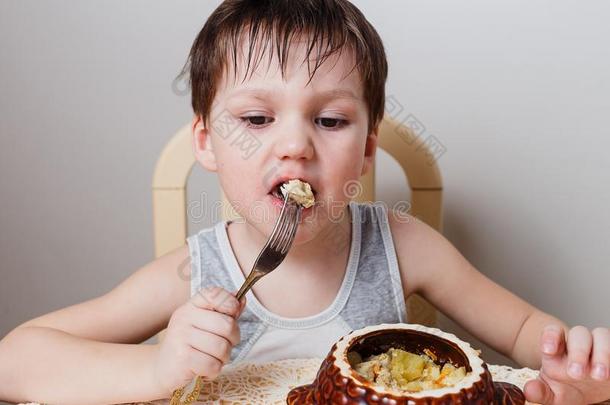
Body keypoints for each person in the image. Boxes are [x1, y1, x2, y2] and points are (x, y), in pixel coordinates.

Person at [0, 1, 608, 404]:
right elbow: (15, 362)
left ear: (367, 150)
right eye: (257, 118)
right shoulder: (195, 274)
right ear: (209, 143)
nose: (295, 146)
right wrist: (156, 372)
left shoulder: (404, 244)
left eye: (331, 120)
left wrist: (575, 372)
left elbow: (529, 331)